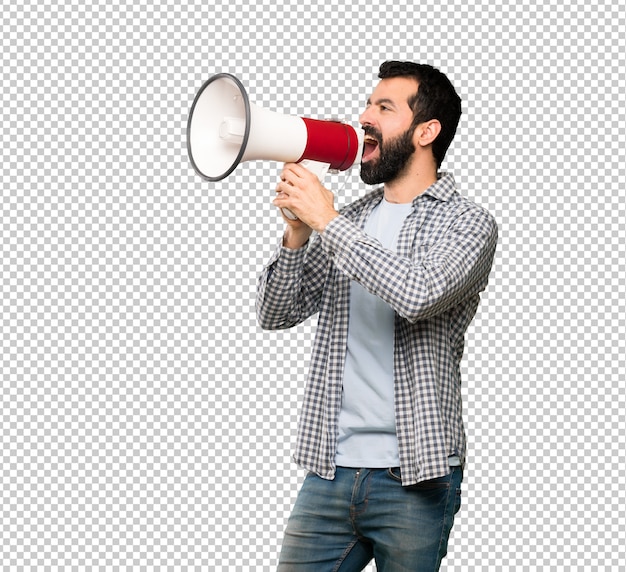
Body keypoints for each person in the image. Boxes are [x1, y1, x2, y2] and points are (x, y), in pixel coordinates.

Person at [256, 60, 498, 572]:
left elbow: (417, 294)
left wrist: (327, 219)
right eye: (367, 103)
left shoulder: (469, 223)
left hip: (415, 476)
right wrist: (299, 234)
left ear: (425, 131)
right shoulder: (354, 219)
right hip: (329, 471)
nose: (363, 117)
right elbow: (276, 314)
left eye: (384, 108)